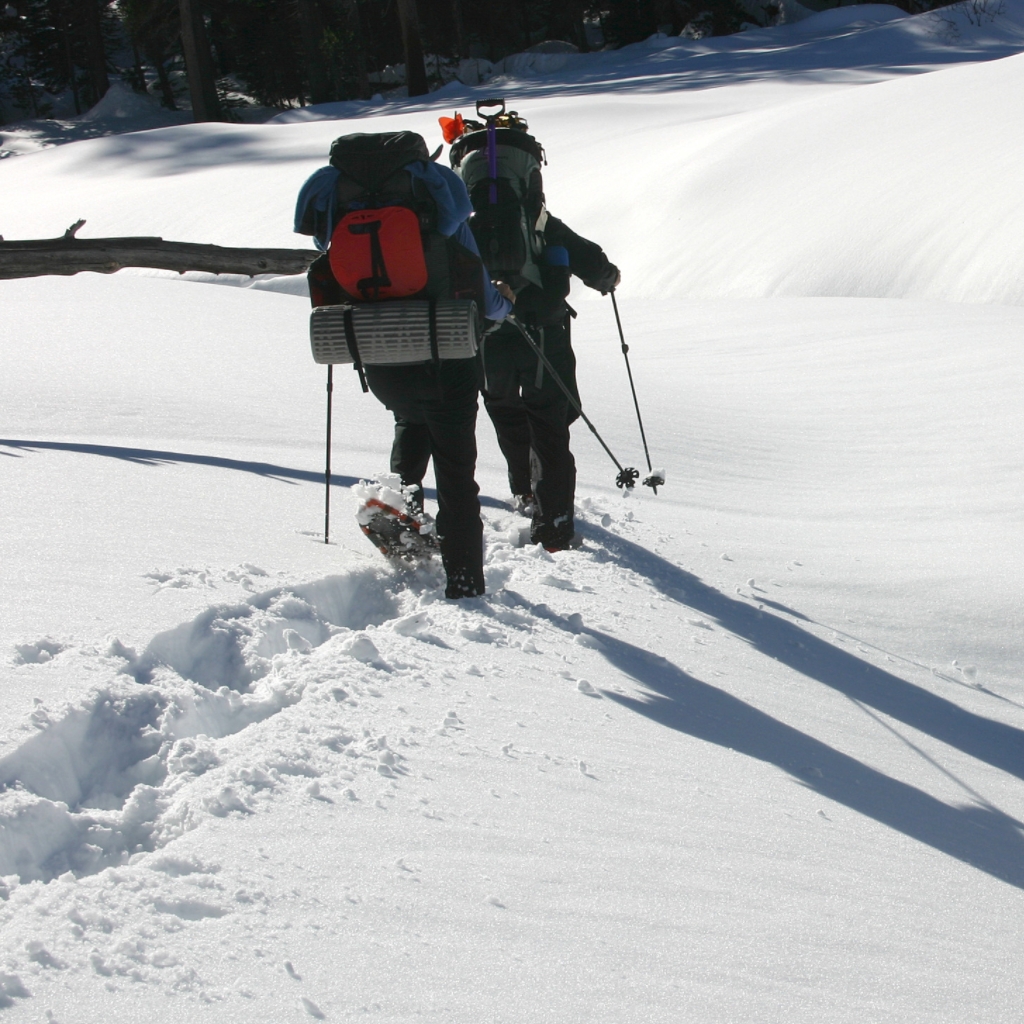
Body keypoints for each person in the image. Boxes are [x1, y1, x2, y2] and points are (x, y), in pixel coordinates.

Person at [300, 131, 513, 599]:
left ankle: (401, 508)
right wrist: (505, 304)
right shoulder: (440, 204)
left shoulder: (339, 203)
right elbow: (480, 290)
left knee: (412, 417)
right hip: (446, 353)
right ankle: (464, 583)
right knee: (457, 473)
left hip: (377, 356)